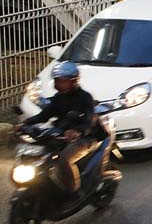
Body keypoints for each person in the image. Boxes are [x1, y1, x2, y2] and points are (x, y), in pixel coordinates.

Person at [21, 61, 98, 194]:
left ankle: (73, 190)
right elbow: (44, 115)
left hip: (84, 138)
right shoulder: (59, 97)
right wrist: (25, 123)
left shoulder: (85, 98)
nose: (60, 84)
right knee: (36, 154)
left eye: (64, 81)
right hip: (61, 135)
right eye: (58, 81)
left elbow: (88, 121)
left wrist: (77, 132)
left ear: (74, 81)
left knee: (64, 159)